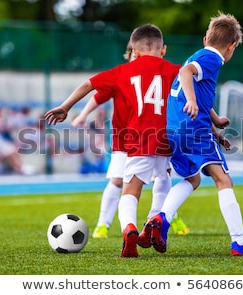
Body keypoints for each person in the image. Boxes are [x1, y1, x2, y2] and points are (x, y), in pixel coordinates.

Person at [45, 24, 184, 258]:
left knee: (130, 190)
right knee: (164, 176)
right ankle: (154, 221)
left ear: (135, 51)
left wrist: (66, 106)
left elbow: (89, 84)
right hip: (167, 137)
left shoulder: (122, 71)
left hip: (138, 138)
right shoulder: (176, 70)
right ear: (163, 50)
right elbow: (192, 96)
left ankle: (129, 227)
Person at [147, 12, 243, 256]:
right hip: (193, 130)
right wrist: (192, 101)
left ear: (205, 39)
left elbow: (197, 91)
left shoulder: (198, 55)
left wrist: (215, 122)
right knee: (224, 180)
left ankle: (162, 219)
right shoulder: (212, 58)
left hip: (175, 129)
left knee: (193, 178)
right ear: (231, 46)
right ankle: (238, 242)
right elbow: (186, 75)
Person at [71, 42, 190, 239]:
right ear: (131, 55)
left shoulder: (150, 72)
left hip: (148, 135)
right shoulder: (123, 75)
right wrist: (83, 115)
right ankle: (103, 224)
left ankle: (165, 217)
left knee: (161, 175)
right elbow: (98, 97)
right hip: (125, 137)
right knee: (119, 180)